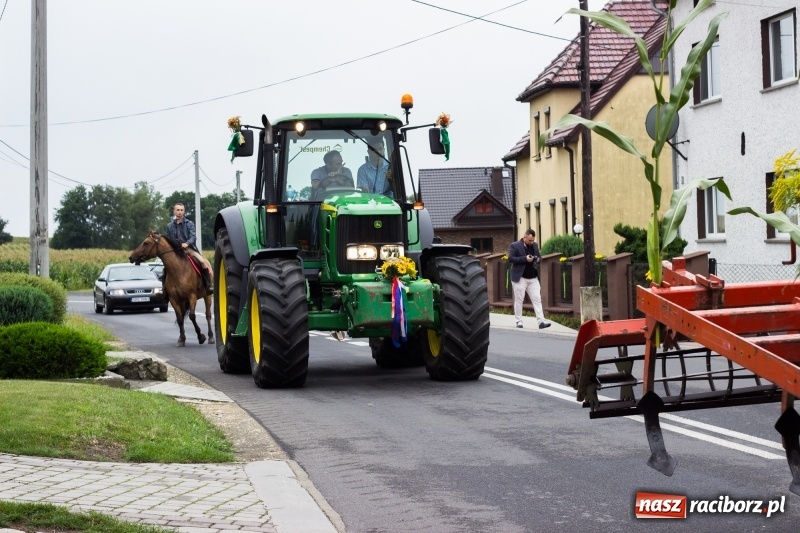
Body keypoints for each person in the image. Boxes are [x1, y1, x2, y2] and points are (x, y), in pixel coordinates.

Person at [165, 202, 214, 295]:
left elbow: (193, 237)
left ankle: (208, 285)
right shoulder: (169, 226)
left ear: (184, 212)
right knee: (165, 268)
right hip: (175, 251)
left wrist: (186, 243)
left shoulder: (189, 224)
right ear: (174, 211)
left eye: (181, 210)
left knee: (203, 262)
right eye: (178, 210)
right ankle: (165, 291)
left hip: (189, 249)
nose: (180, 212)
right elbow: (168, 238)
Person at [508, 229, 550, 329]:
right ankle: (519, 321)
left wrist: (537, 258)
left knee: (537, 299)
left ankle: (541, 322)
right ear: (525, 237)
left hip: (533, 277)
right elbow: (511, 259)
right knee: (519, 299)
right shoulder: (515, 245)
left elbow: (539, 257)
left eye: (533, 240)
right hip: (520, 277)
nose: (531, 242)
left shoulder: (535, 245)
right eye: (530, 240)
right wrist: (525, 258)